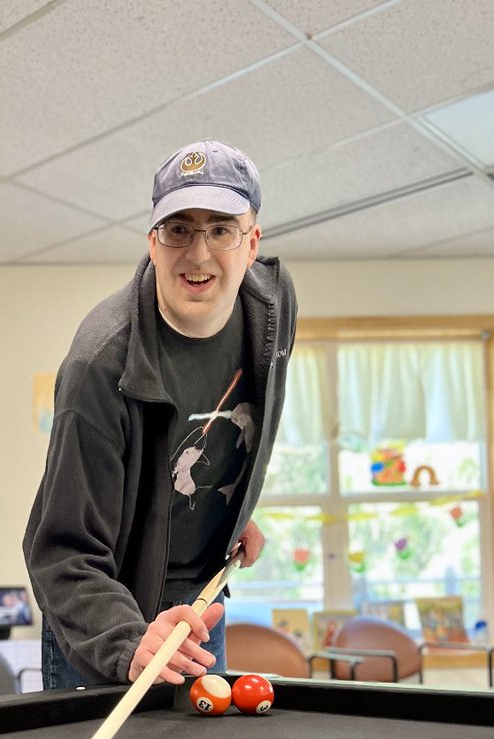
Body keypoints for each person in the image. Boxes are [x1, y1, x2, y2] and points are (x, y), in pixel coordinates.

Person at [24, 140, 297, 690]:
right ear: (153, 241)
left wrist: (225, 507)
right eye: (178, 229)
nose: (198, 254)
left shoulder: (272, 309)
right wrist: (127, 641)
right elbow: (61, 550)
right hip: (104, 624)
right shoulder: (99, 365)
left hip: (199, 607)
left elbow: (223, 432)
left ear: (252, 242)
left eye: (221, 228)